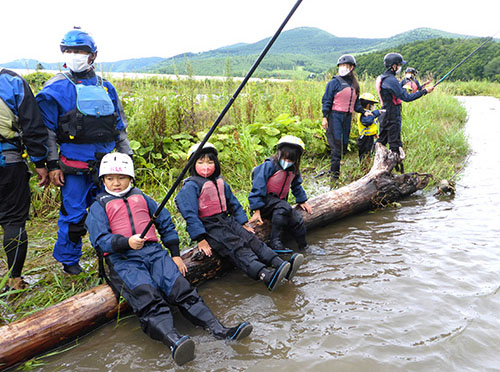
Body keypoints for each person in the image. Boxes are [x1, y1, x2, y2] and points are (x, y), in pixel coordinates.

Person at [86, 153, 252, 366]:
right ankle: (174, 341)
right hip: (124, 259)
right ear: (103, 180)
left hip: (154, 253)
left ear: (131, 178)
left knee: (182, 289)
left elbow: (165, 222)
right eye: (110, 179)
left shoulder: (143, 198)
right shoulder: (99, 206)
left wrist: (174, 253)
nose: (116, 183)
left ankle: (220, 330)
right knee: (148, 298)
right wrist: (126, 242)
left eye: (121, 178)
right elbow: (99, 240)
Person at [36, 28, 133, 275]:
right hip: (73, 166)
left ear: (93, 55)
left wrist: (127, 159)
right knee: (74, 215)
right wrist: (52, 164)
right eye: (69, 50)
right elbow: (45, 131)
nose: (74, 55)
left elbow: (119, 127)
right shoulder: (54, 88)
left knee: (112, 209)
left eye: (80, 50)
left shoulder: (106, 87)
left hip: (107, 166)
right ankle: (70, 263)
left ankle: (113, 254)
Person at [175, 142, 304, 292]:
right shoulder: (191, 186)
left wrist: (242, 222)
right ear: (193, 164)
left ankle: (278, 262)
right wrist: (201, 239)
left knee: (252, 240)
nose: (206, 166)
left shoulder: (220, 181)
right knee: (237, 248)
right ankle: (265, 275)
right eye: (201, 162)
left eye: (210, 162)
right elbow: (190, 214)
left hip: (226, 219)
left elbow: (233, 203)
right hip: (210, 227)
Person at [0, 68, 49, 291]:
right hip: (8, 162)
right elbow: (32, 126)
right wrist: (40, 162)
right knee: (13, 220)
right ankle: (14, 280)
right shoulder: (12, 81)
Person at [248, 135, 312, 253]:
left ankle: (304, 246)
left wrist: (302, 200)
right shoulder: (269, 165)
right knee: (284, 207)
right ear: (279, 153)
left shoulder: (294, 169)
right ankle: (275, 242)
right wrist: (256, 210)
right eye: (285, 158)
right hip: (265, 203)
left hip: (279, 205)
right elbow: (258, 186)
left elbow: (296, 185)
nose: (287, 162)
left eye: (291, 160)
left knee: (297, 220)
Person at [376, 53, 434, 173]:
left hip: (384, 114)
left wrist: (422, 88)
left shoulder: (383, 78)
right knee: (395, 146)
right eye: (399, 65)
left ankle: (379, 168)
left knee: (381, 141)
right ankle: (395, 174)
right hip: (392, 115)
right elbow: (406, 97)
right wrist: (424, 92)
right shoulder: (391, 80)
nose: (400, 67)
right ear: (393, 66)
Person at [321, 54, 371, 180]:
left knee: (343, 146)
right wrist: (324, 117)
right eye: (341, 65)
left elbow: (356, 104)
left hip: (347, 117)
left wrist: (364, 112)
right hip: (335, 117)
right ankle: (334, 177)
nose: (342, 68)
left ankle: (334, 169)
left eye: (345, 66)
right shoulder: (334, 83)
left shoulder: (354, 85)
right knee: (336, 147)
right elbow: (327, 100)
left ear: (352, 67)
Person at [356, 93, 383, 161]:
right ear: (368, 105)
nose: (373, 106)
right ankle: (364, 168)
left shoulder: (369, 113)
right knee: (364, 155)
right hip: (364, 138)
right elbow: (367, 122)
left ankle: (368, 167)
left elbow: (371, 125)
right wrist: (375, 114)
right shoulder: (364, 114)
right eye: (372, 104)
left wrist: (374, 133)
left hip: (369, 137)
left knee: (369, 153)